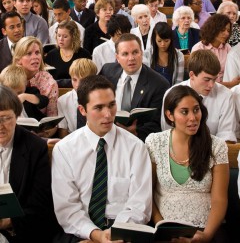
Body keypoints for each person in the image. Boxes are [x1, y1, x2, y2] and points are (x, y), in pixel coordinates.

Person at [51, 74, 152, 241]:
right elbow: (67, 209)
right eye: (98, 108)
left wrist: (115, 234)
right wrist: (96, 235)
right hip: (81, 232)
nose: (108, 114)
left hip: (126, 231)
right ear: (82, 110)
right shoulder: (65, 149)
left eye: (112, 105)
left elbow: (139, 204)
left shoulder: (135, 147)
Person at [146, 85, 229, 242]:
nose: (193, 117)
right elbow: (148, 194)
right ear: (170, 115)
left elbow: (220, 200)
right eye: (184, 112)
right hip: (164, 229)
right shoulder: (154, 142)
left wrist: (206, 236)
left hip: (206, 229)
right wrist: (162, 228)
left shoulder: (217, 146)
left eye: (196, 110)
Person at [0, 84, 59, 243]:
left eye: (6, 118)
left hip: (20, 231)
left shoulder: (34, 147)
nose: (0, 127)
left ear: (17, 116)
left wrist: (8, 222)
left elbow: (41, 205)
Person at [100, 33, 170, 142]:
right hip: (107, 135)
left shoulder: (159, 84)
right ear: (117, 57)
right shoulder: (107, 71)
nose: (131, 58)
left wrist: (136, 131)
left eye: (135, 52)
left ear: (141, 53)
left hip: (139, 141)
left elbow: (158, 123)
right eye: (125, 54)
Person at [161, 50, 237, 143]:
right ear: (192, 75)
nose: (211, 85)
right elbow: (167, 133)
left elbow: (226, 136)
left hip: (213, 152)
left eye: (214, 79)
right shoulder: (171, 94)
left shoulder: (225, 95)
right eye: (207, 79)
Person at [12, 36, 59, 138]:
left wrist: (40, 136)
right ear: (18, 59)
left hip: (38, 136)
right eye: (29, 53)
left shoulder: (49, 83)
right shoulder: (9, 76)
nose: (35, 57)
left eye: (37, 53)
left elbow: (53, 122)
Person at [57, 58, 97, 138]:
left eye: (82, 80)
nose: (78, 84)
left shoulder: (100, 98)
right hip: (72, 141)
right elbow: (63, 131)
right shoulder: (63, 101)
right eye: (74, 80)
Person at [45, 20, 91, 87]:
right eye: (59, 35)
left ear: (73, 37)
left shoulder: (84, 55)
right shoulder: (51, 55)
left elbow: (88, 80)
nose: (61, 39)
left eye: (65, 36)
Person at [192, 14, 232, 83]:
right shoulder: (199, 48)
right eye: (222, 30)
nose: (227, 34)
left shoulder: (227, 47)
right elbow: (196, 77)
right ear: (213, 29)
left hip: (226, 88)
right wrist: (230, 84)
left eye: (228, 30)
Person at [151, 22, 184, 86]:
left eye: (166, 41)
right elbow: (147, 80)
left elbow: (178, 82)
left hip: (172, 93)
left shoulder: (179, 55)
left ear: (171, 40)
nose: (163, 44)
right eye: (159, 41)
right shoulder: (147, 54)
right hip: (152, 93)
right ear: (154, 40)